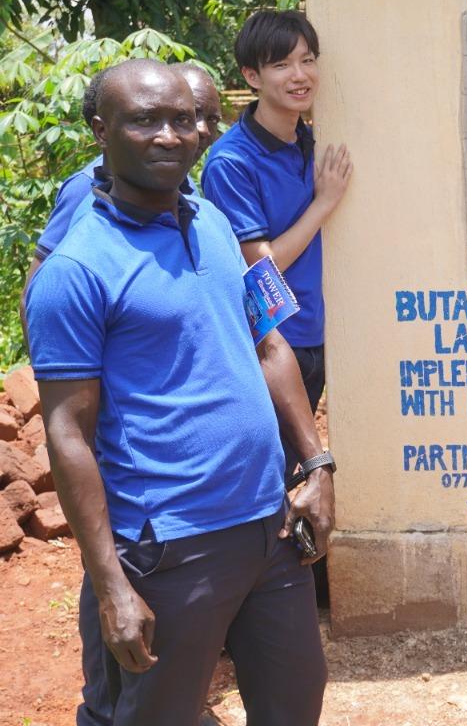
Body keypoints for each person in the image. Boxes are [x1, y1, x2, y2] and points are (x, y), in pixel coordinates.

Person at [25, 58, 335, 725]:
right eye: (145, 120)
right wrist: (111, 586)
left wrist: (317, 464)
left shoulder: (219, 226)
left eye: (185, 119)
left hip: (269, 529)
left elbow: (270, 344)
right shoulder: (77, 270)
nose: (171, 135)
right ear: (101, 130)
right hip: (170, 545)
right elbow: (68, 433)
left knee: (295, 704)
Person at [202, 10, 352, 418]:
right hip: (271, 348)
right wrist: (323, 204)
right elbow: (261, 267)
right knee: (273, 475)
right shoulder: (231, 162)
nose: (299, 75)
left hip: (318, 336)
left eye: (307, 60)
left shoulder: (309, 140)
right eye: (282, 64)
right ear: (253, 76)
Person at [19, 63, 223, 336]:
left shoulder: (193, 200)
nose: (203, 130)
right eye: (194, 115)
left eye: (210, 119)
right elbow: (38, 295)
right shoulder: (87, 189)